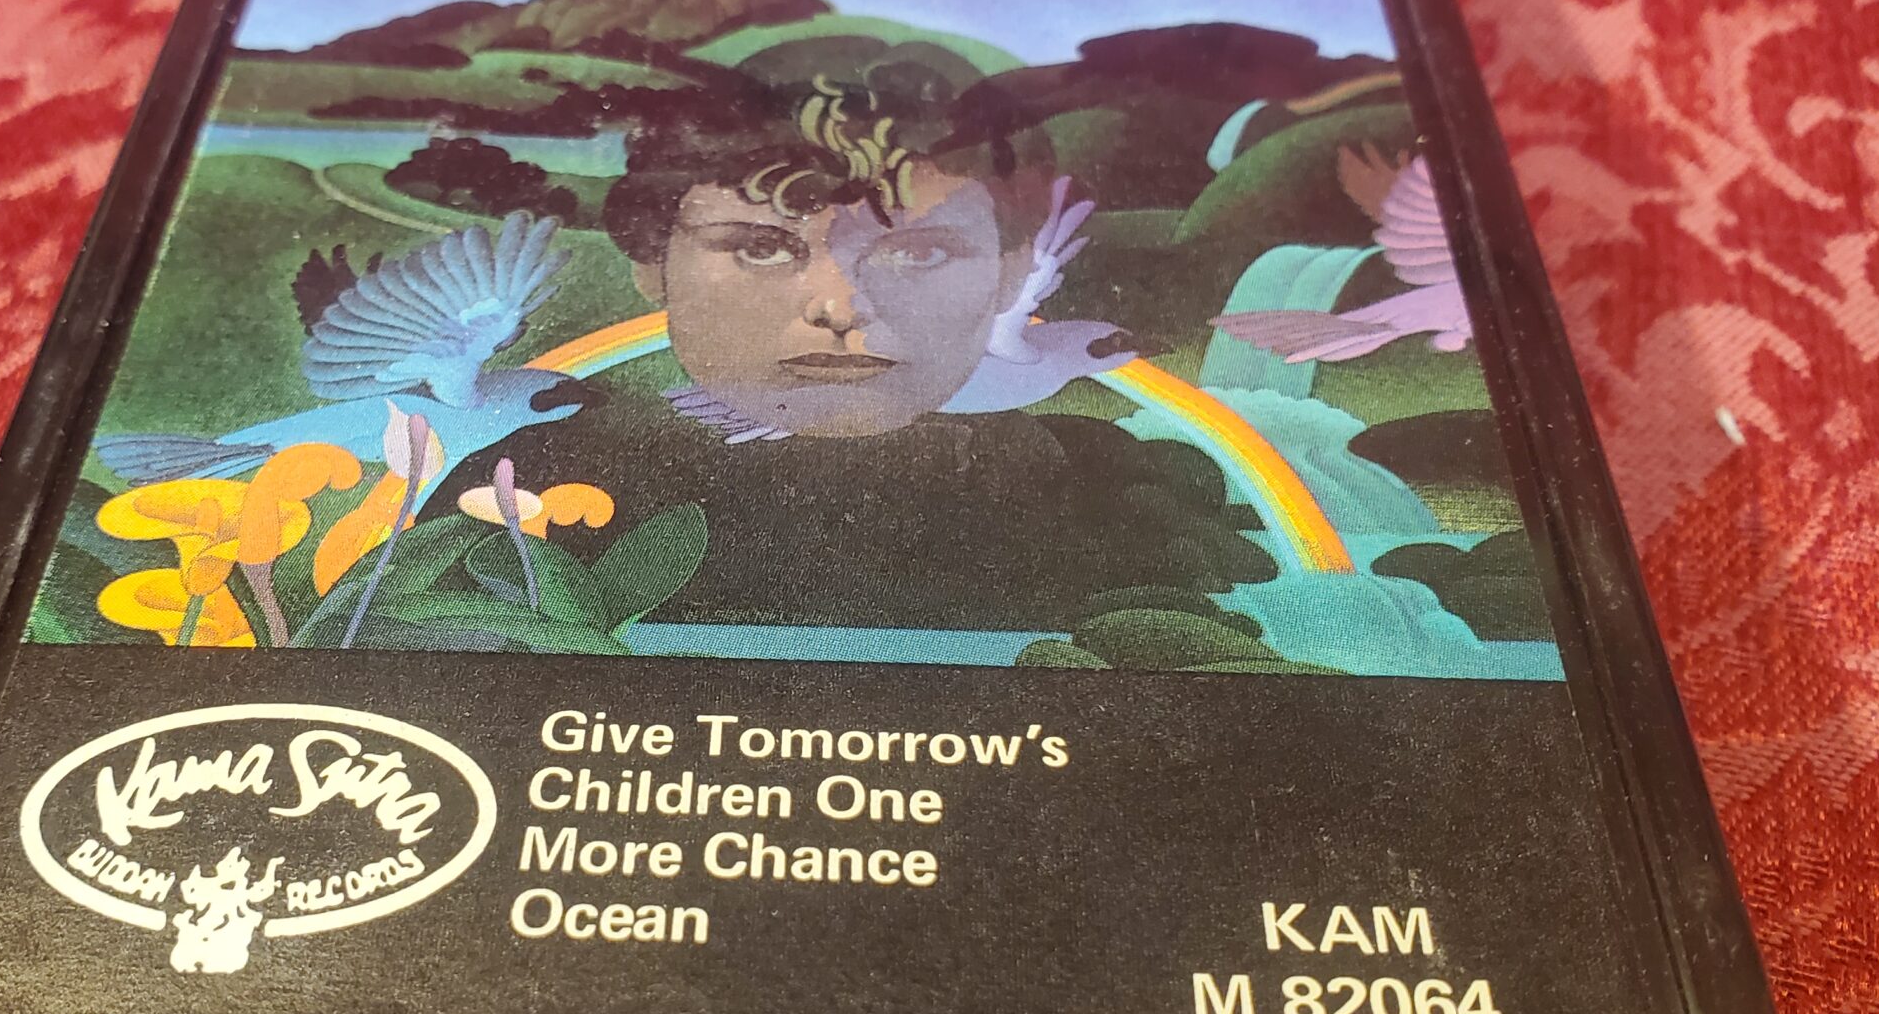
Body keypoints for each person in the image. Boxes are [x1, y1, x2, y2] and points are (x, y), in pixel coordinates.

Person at [428, 44, 1273, 636]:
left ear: (1012, 274)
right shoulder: (510, 487)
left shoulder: (1105, 494)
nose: (840, 308)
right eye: (762, 248)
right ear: (651, 265)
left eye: (917, 252)